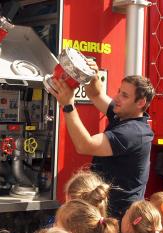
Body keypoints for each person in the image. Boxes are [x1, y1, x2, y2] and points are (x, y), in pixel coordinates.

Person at [47, 62, 155, 219]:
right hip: (109, 210)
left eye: (124, 95)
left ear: (140, 103)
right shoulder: (123, 114)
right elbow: (96, 95)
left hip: (119, 217)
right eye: (119, 91)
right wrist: (92, 75)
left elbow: (85, 145)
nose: (117, 97)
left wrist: (68, 105)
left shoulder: (133, 133)